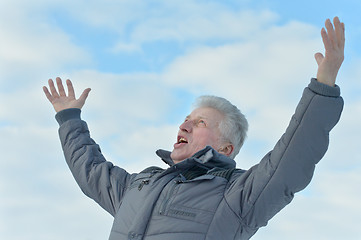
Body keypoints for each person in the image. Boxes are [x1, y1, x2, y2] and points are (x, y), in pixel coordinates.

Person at [43, 17, 345, 240]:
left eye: (199, 122)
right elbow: (89, 169)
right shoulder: (138, 186)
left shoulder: (237, 195)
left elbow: (293, 157)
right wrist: (69, 118)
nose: (184, 124)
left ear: (226, 148)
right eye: (186, 119)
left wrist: (324, 84)